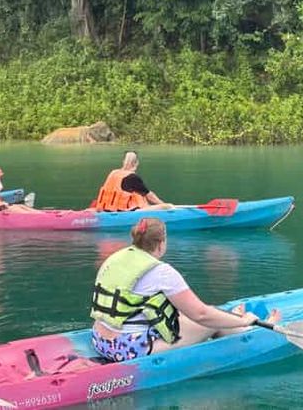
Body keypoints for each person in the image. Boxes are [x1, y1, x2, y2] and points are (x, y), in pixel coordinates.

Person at [90, 218, 280, 361]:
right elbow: (202, 315)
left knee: (199, 314)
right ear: (161, 242)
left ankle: (233, 322)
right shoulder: (160, 272)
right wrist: (242, 318)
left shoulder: (115, 258)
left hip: (99, 338)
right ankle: (247, 326)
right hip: (127, 348)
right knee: (212, 320)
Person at [93, 151, 173, 211]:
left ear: (123, 161)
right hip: (126, 211)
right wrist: (163, 204)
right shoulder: (132, 177)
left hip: (105, 209)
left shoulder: (113, 173)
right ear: (136, 163)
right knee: (167, 206)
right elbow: (150, 196)